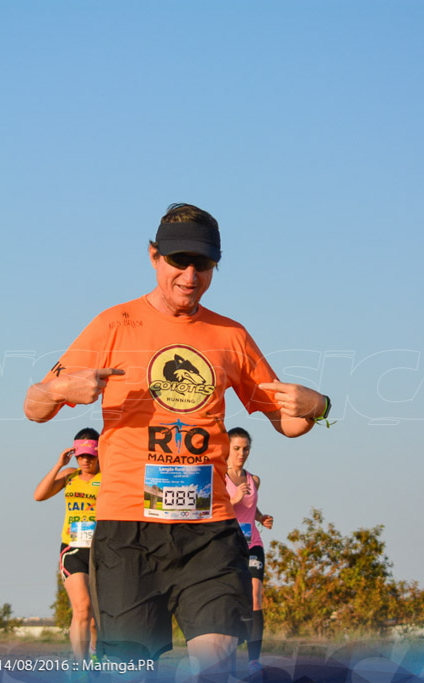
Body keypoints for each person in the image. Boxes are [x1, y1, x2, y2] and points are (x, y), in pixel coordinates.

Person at [24, 203, 332, 679]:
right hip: (128, 531)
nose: (190, 275)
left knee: (219, 661)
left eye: (203, 265)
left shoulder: (230, 335)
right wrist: (62, 390)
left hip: (207, 531)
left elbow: (287, 422)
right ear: (153, 256)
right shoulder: (114, 324)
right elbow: (34, 405)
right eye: (178, 261)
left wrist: (319, 406)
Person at [33, 428, 102, 663]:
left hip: (101, 552)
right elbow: (39, 495)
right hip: (72, 549)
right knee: (82, 609)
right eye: (81, 455)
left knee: (96, 619)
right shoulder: (69, 475)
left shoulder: (108, 477)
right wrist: (58, 465)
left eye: (90, 456)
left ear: (99, 453)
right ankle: (80, 667)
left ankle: (94, 654)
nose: (85, 460)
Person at [224, 427, 273, 675]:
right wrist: (232, 500)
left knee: (255, 596)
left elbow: (251, 508)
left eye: (245, 449)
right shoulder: (218, 478)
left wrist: (262, 518)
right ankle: (230, 652)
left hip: (252, 544)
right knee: (232, 600)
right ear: (227, 448)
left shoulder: (254, 480)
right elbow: (214, 509)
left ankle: (254, 660)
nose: (241, 453)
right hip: (228, 545)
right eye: (236, 448)